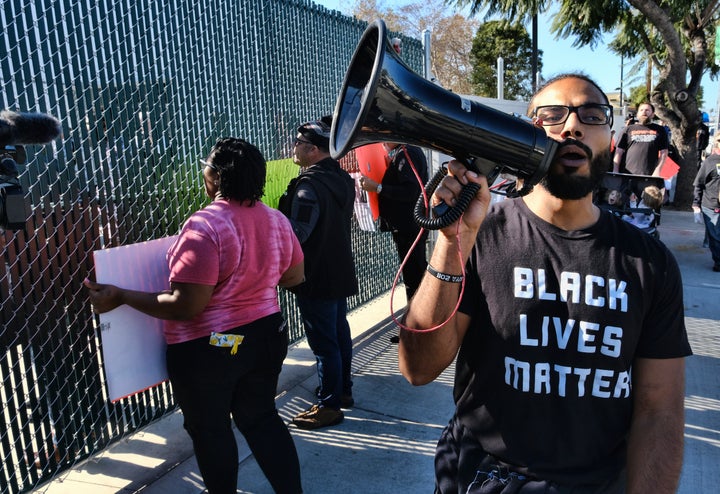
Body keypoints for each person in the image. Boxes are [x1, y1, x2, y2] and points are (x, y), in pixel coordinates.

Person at [399, 73, 691, 493]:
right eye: (552, 115)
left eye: (592, 115)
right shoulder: (483, 236)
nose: (572, 126)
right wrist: (453, 244)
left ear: (610, 138)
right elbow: (418, 368)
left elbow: (659, 411)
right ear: (525, 133)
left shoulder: (651, 264)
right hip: (484, 475)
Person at [84, 138, 305, 494]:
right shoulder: (276, 220)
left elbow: (186, 306)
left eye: (206, 166)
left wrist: (122, 296)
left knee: (211, 429)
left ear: (215, 177)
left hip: (215, 346)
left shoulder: (205, 226)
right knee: (262, 418)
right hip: (265, 335)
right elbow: (294, 277)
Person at [278, 119, 358, 430]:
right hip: (338, 271)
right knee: (338, 334)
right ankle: (343, 390)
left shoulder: (308, 187)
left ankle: (329, 405)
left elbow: (297, 236)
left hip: (315, 276)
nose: (292, 148)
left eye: (297, 144)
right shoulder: (342, 179)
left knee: (325, 344)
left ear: (312, 150)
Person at [360, 143, 429, 343]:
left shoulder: (406, 153)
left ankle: (416, 332)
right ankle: (415, 329)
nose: (381, 143)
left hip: (409, 227)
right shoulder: (404, 153)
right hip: (409, 226)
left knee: (414, 279)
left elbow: (409, 192)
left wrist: (378, 187)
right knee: (415, 277)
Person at [612, 102, 668, 177]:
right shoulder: (628, 129)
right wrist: (615, 170)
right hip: (627, 174)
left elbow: (664, 153)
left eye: (647, 110)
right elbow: (619, 151)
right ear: (637, 114)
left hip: (649, 175)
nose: (644, 112)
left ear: (653, 114)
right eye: (641, 110)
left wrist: (658, 170)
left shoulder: (660, 130)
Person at [693, 133, 720, 272]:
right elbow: (699, 183)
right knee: (715, 236)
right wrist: (696, 204)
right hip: (712, 205)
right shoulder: (710, 161)